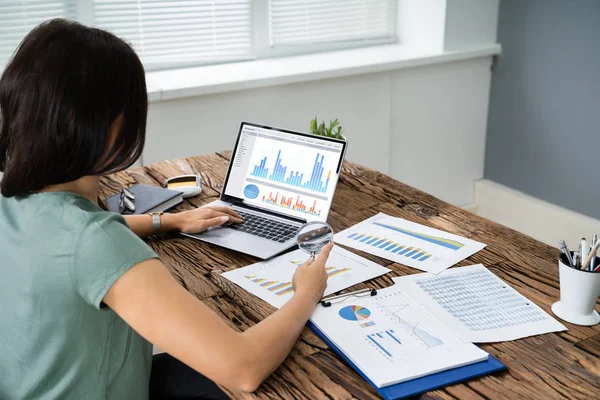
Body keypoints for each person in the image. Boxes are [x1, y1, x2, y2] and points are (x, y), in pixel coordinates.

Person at [0, 19, 332, 400]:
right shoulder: (95, 242)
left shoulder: (14, 202)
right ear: (102, 123)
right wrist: (306, 293)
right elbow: (243, 368)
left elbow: (66, 246)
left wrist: (167, 220)